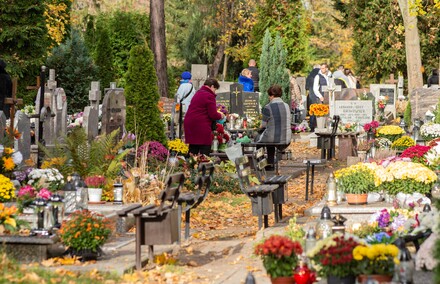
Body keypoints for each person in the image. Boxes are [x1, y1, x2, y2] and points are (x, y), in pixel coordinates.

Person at [184, 78, 225, 156]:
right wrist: (221, 115)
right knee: (205, 149)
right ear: (212, 86)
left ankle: (190, 165)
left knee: (193, 148)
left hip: (190, 123)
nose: (214, 92)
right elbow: (213, 114)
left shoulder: (198, 93)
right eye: (215, 89)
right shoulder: (209, 95)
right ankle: (203, 167)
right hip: (201, 125)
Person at [256, 84, 291, 170]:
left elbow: (263, 125)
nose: (269, 98)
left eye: (269, 96)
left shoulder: (268, 107)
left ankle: (261, 164)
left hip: (274, 138)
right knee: (269, 138)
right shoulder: (286, 106)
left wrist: (257, 128)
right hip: (286, 137)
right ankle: (270, 164)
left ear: (272, 95)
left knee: (258, 140)